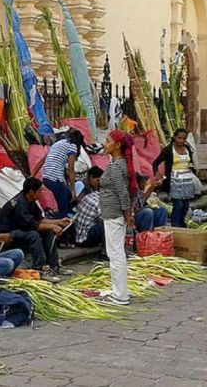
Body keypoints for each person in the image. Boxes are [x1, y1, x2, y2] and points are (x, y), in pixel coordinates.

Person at [0, 177, 73, 282]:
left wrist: (58, 222)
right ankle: (39, 268)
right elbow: (33, 225)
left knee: (47, 231)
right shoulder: (20, 204)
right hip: (7, 233)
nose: (41, 193)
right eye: (39, 191)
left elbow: (39, 220)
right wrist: (53, 226)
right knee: (33, 235)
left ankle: (54, 265)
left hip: (21, 229)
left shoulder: (30, 200)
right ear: (31, 191)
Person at [99, 130, 136, 306]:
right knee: (115, 252)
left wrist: (127, 212)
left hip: (113, 213)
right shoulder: (119, 164)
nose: (105, 144)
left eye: (108, 141)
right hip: (114, 212)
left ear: (117, 145)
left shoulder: (116, 167)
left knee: (115, 254)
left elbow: (122, 192)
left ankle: (120, 295)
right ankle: (119, 289)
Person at [152, 128, 197, 228]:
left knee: (185, 206)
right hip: (174, 182)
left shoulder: (187, 149)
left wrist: (192, 168)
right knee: (178, 205)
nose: (181, 141)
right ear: (175, 137)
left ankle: (182, 224)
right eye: (179, 138)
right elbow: (155, 163)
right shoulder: (168, 150)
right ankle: (175, 226)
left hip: (187, 181)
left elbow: (191, 162)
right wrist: (157, 173)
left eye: (184, 138)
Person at [40, 129, 85, 218]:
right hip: (55, 178)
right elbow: (71, 169)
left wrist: (32, 176)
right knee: (63, 208)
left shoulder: (58, 144)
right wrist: (73, 191)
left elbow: (42, 161)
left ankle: (68, 215)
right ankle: (64, 226)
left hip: (46, 178)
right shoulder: (72, 146)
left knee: (67, 196)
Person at [74, 167, 104, 248]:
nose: (98, 183)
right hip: (78, 218)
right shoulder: (81, 184)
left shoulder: (92, 189)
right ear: (91, 177)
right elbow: (77, 203)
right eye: (97, 180)